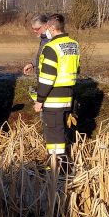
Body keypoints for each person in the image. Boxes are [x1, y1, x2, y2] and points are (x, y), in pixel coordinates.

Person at [33, 13, 80, 171]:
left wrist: (39, 100)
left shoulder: (51, 47)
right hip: (68, 96)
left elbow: (47, 78)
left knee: (54, 136)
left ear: (52, 28)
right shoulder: (74, 45)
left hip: (53, 98)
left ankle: (57, 169)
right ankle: (59, 166)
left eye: (48, 28)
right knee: (62, 132)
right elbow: (76, 69)